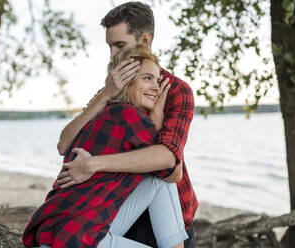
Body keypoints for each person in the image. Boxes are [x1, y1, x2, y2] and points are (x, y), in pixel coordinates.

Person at [56, 2, 198, 247]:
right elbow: (63, 145)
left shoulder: (176, 91)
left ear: (144, 41)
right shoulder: (111, 90)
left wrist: (93, 164)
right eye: (110, 46)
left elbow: (172, 169)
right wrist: (104, 96)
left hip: (168, 216)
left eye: (119, 45)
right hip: (117, 214)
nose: (112, 54)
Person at [23, 46, 188, 248]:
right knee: (163, 180)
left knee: (156, 182)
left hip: (57, 228)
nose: (156, 86)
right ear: (126, 80)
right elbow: (173, 172)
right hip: (77, 238)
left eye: (157, 80)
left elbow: (63, 144)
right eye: (147, 78)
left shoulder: (102, 113)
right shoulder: (130, 117)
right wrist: (157, 120)